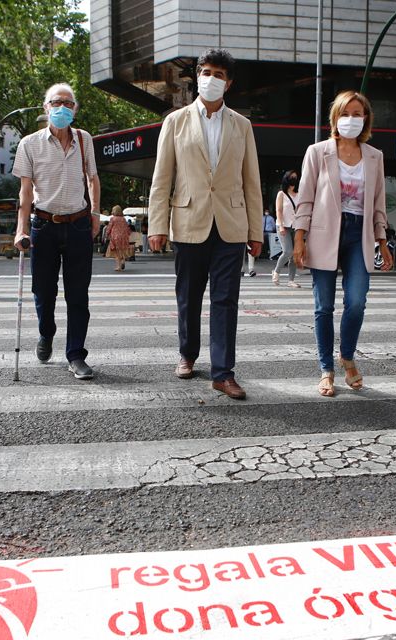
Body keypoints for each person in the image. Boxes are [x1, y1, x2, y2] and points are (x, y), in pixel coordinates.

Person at [148, 48, 262, 400]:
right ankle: (187, 353)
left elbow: (252, 182)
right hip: (188, 219)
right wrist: (157, 225)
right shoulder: (175, 121)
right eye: (206, 72)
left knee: (226, 300)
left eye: (219, 75)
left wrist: (256, 231)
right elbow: (161, 177)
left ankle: (223, 372)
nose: (211, 79)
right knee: (189, 296)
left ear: (229, 83)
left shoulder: (242, 126)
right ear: (198, 76)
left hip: (230, 223)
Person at [293, 91, 394, 397]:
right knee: (323, 306)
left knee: (357, 301)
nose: (352, 119)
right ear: (335, 117)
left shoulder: (375, 156)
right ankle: (327, 369)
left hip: (358, 234)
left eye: (358, 113)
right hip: (324, 234)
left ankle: (347, 355)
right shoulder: (317, 151)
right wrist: (299, 237)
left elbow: (378, 203)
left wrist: (383, 241)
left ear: (366, 119)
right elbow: (306, 197)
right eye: (346, 113)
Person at [12, 82, 100, 380]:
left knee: (78, 295)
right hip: (43, 226)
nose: (62, 107)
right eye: (56, 102)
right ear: (45, 107)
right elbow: (25, 192)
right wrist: (21, 229)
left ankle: (76, 354)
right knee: (43, 291)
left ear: (74, 109)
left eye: (68, 103)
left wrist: (96, 213)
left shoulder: (84, 139)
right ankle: (46, 333)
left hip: (77, 224)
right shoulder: (29, 144)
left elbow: (93, 178)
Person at [273, 170, 301, 288]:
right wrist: (281, 225)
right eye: (291, 177)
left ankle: (291, 280)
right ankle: (276, 272)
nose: (294, 179)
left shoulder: (299, 194)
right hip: (283, 225)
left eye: (295, 177)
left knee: (294, 254)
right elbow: (279, 210)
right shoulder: (281, 194)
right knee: (287, 251)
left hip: (296, 226)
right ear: (286, 179)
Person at [105, 204, 132, 271]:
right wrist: (128, 234)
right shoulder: (123, 219)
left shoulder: (113, 219)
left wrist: (106, 234)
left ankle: (118, 266)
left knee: (116, 252)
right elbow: (127, 228)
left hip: (115, 237)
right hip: (124, 237)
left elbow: (109, 228)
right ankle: (123, 261)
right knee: (122, 250)